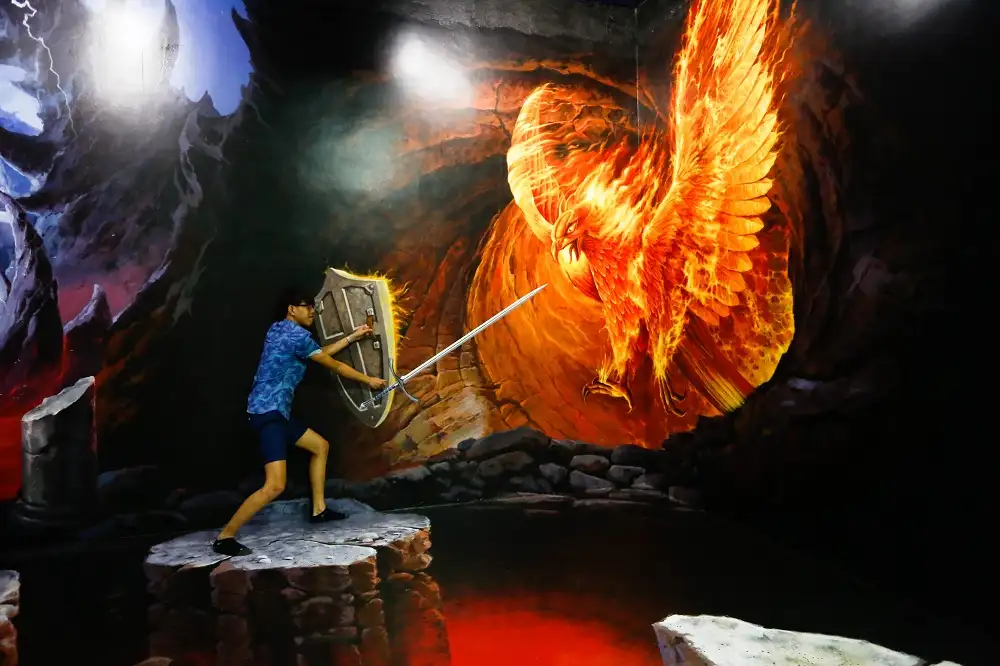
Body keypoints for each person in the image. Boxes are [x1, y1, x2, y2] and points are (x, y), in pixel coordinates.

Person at [212, 286, 388, 556]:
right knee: (275, 485)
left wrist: (353, 337)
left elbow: (319, 353)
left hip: (275, 411)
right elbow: (334, 365)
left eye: (313, 307)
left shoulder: (278, 329)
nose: (313, 312)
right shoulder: (297, 336)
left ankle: (319, 510)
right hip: (268, 413)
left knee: (320, 447)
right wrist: (370, 381)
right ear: (292, 309)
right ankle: (225, 537)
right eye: (307, 307)